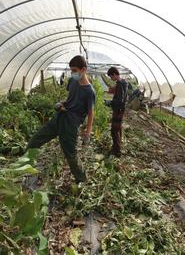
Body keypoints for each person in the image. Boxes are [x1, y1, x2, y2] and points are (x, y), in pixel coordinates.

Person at [26, 55, 95, 183]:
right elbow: (70, 98)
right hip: (60, 116)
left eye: (75, 70)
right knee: (35, 140)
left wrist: (87, 133)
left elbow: (91, 113)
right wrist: (61, 103)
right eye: (71, 70)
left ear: (83, 69)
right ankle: (24, 165)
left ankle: (82, 180)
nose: (72, 73)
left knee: (71, 155)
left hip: (71, 124)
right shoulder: (73, 81)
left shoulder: (89, 91)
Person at [106, 67, 128, 157]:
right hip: (121, 109)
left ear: (114, 74)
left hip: (118, 109)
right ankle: (117, 146)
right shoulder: (124, 82)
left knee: (114, 130)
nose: (111, 79)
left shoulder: (119, 84)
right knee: (118, 128)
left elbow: (119, 100)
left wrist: (110, 102)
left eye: (111, 77)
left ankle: (117, 151)